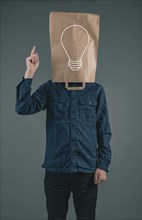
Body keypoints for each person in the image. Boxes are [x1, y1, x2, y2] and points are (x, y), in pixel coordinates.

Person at [15, 46, 112, 220]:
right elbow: (23, 108)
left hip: (86, 171)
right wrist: (29, 72)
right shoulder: (51, 88)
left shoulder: (96, 90)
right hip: (56, 170)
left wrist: (102, 165)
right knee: (55, 217)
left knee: (87, 217)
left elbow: (103, 130)